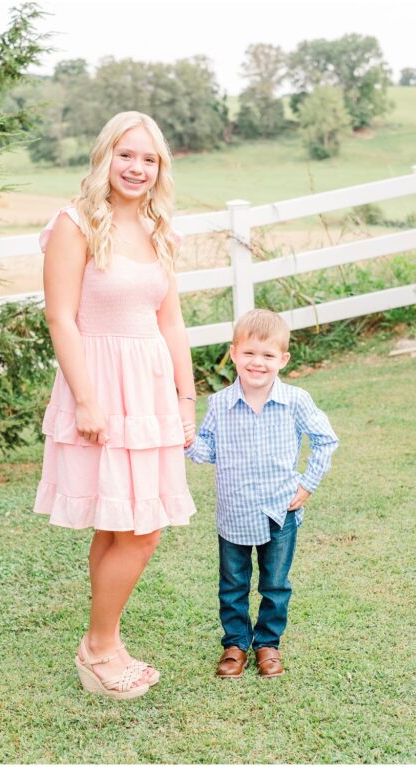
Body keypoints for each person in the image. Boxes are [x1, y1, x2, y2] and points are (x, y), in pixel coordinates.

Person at [35, 111, 198, 699]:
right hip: (100, 386)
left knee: (122, 521)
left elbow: (171, 320)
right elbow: (60, 317)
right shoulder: (74, 224)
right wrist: (86, 399)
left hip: (150, 388)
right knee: (139, 529)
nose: (137, 168)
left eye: (149, 159)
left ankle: (106, 639)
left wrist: (185, 397)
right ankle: (98, 647)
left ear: (161, 169)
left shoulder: (161, 230)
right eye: (127, 155)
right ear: (106, 156)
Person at [185, 309, 339, 679]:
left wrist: (307, 484)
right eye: (250, 353)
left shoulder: (296, 400)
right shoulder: (220, 404)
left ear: (282, 360)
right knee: (233, 584)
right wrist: (187, 441)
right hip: (234, 511)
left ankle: (268, 643)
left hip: (280, 511)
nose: (258, 363)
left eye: (268, 355)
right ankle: (236, 644)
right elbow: (208, 448)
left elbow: (325, 440)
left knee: (275, 583)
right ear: (234, 353)